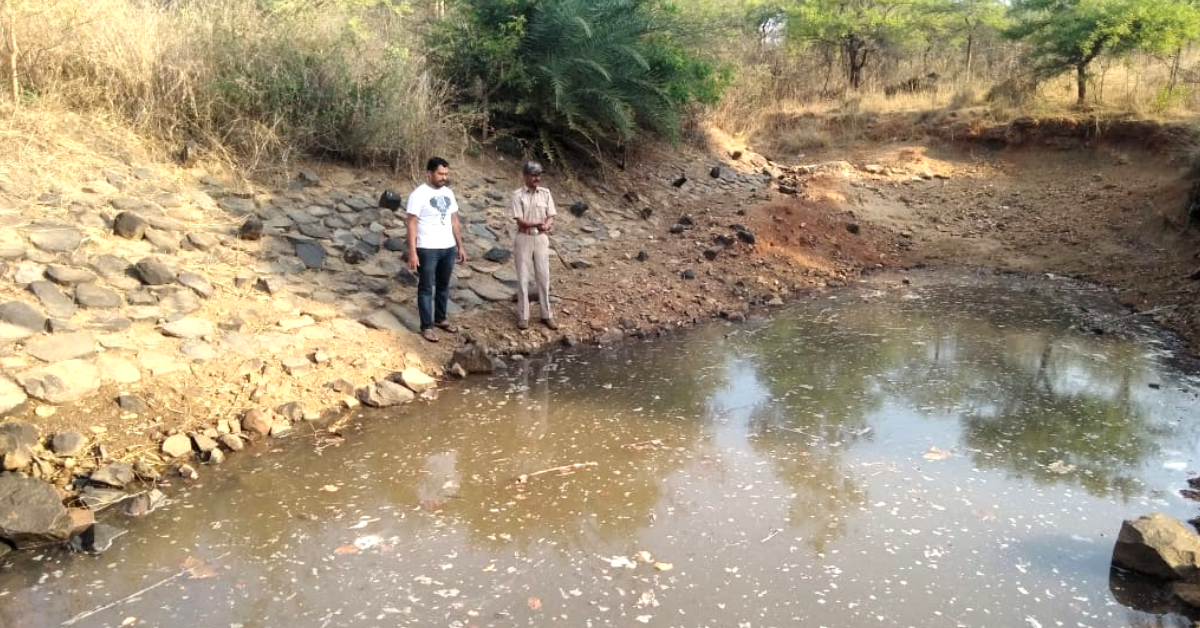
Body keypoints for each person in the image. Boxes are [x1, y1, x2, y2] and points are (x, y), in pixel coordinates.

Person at [406, 157, 466, 343]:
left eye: (446, 174)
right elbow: (411, 223)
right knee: (425, 287)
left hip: (448, 247)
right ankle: (427, 326)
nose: (444, 177)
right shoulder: (419, 194)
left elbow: (454, 221)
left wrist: (460, 246)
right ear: (429, 173)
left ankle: (440, 318)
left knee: (443, 285)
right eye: (440, 174)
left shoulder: (448, 193)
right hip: (427, 248)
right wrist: (413, 252)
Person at [510, 160, 558, 330]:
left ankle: (546, 314)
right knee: (523, 276)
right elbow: (519, 220)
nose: (537, 178)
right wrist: (538, 222)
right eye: (533, 175)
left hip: (541, 238)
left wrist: (548, 224)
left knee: (543, 276)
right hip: (524, 237)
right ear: (525, 176)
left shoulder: (545, 193)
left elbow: (551, 214)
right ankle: (523, 316)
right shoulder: (517, 195)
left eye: (539, 175)